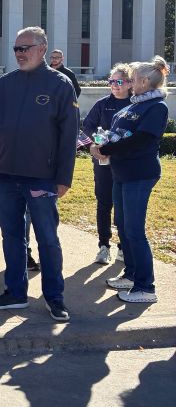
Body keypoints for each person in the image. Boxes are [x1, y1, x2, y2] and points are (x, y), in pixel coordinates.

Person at [0, 26, 78, 322]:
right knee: (12, 237)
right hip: (4, 175)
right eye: (16, 49)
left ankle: (54, 297)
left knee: (47, 239)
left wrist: (64, 177)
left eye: (26, 48)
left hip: (41, 177)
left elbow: (69, 134)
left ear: (43, 49)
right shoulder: (4, 84)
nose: (20, 54)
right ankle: (15, 293)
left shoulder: (60, 84)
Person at [94, 57, 169, 305]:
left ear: (145, 82)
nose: (130, 82)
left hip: (140, 173)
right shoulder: (133, 105)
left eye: (133, 79)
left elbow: (143, 139)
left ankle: (146, 287)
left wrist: (108, 149)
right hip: (121, 173)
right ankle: (131, 275)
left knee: (135, 231)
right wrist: (101, 143)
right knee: (124, 227)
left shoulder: (156, 107)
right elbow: (117, 134)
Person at [81, 63, 133, 265]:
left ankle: (123, 247)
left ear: (129, 83)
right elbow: (87, 127)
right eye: (111, 81)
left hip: (127, 163)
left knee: (124, 206)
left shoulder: (135, 105)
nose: (114, 85)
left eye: (119, 82)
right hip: (103, 162)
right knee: (104, 203)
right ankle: (104, 246)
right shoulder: (102, 104)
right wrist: (94, 145)